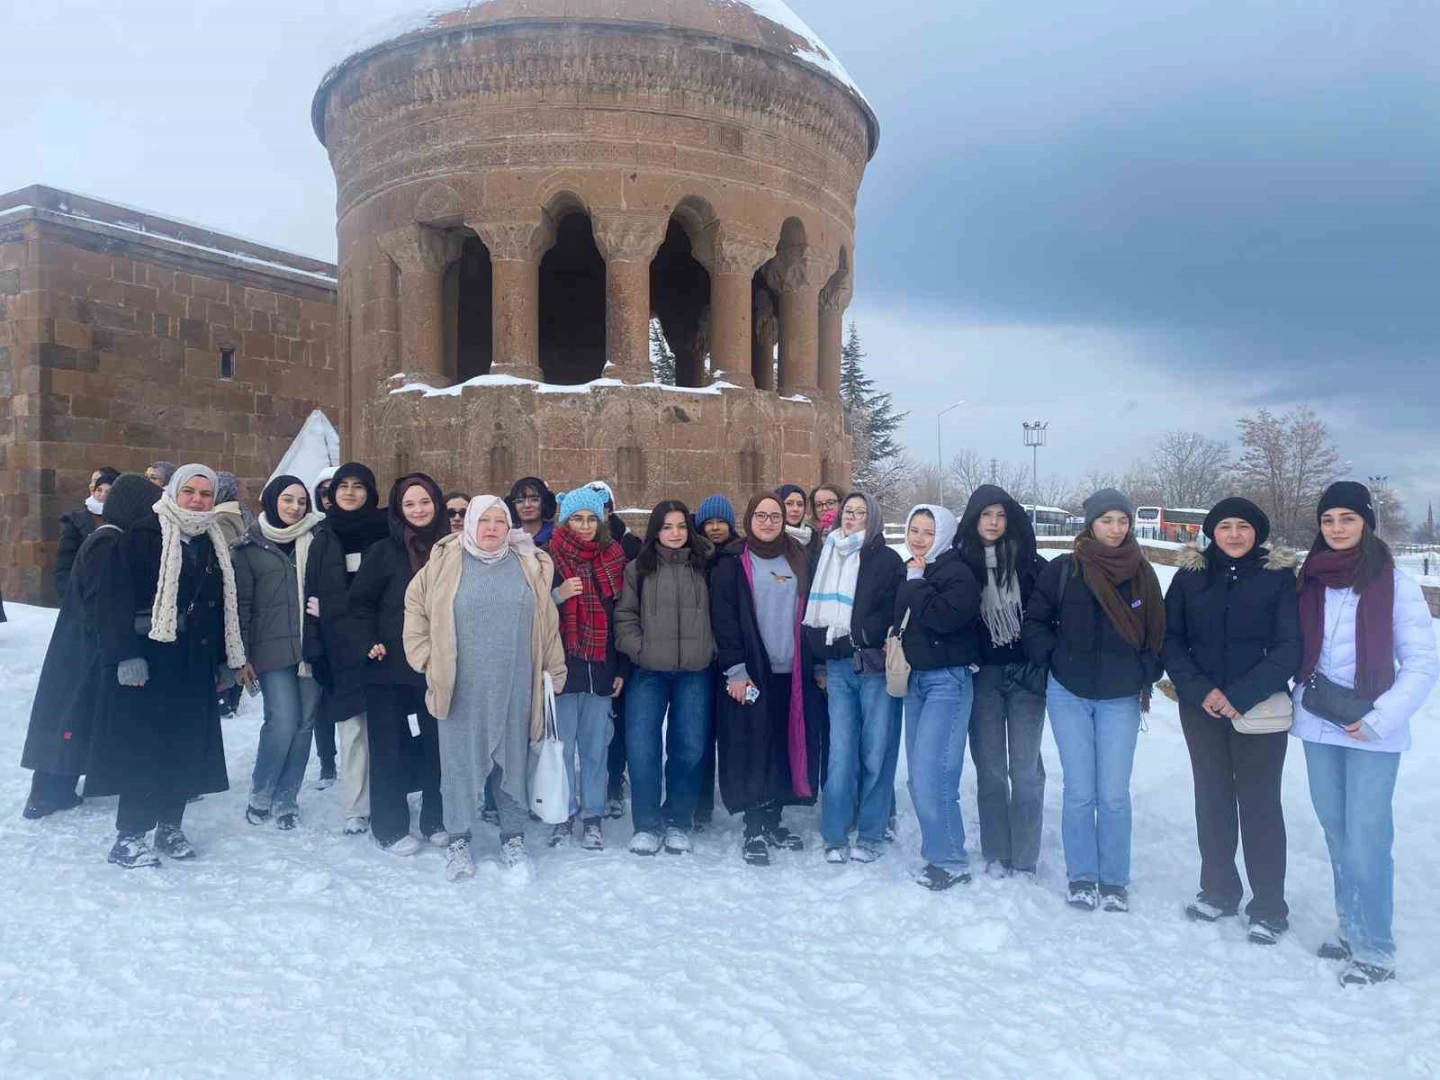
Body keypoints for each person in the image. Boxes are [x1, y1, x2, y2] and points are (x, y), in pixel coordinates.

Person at [1292, 481, 1437, 986]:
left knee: (1367, 839)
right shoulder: (1310, 578)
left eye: (1347, 519)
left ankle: (1375, 947)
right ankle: (1350, 926)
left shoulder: (1395, 584)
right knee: (1336, 832)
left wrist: (1379, 718)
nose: (1336, 528)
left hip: (1372, 730)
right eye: (1328, 519)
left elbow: (1422, 664)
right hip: (1318, 723)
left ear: (1366, 523)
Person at [85, 464, 246, 867]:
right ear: (173, 493)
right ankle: (130, 836)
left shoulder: (212, 541)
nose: (197, 500)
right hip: (150, 659)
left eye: (205, 494)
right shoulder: (142, 536)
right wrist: (125, 655)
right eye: (189, 491)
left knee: (184, 747)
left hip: (194, 661)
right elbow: (112, 599)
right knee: (144, 748)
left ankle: (170, 826)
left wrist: (224, 661)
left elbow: (219, 607)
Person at [403, 495, 566, 882]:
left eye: (499, 520)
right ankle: (458, 840)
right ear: (471, 523)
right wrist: (426, 657)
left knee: (513, 762)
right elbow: (415, 607)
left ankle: (513, 837)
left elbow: (547, 620)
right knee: (458, 765)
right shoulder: (446, 561)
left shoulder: (528, 562)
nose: (491, 528)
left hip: (515, 683)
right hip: (461, 686)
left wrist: (553, 669)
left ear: (509, 525)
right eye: (484, 520)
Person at [1162, 497, 1301, 944]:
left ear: (1257, 532)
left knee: (1260, 806)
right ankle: (1219, 890)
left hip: (1258, 710)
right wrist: (1200, 690)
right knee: (1212, 799)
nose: (1235, 534)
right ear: (1212, 533)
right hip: (1201, 709)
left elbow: (1290, 646)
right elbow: (1170, 639)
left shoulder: (1278, 579)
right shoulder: (1190, 577)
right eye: (1225, 527)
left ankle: (1269, 906)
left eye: (1243, 526)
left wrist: (1239, 695)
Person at [1022, 489, 1165, 913]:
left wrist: (1144, 671)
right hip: (1069, 693)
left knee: (1114, 793)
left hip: (1121, 697)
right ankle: (1082, 875)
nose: (1116, 529)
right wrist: (1054, 657)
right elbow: (1035, 621)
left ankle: (1115, 880)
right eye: (1107, 520)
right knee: (1081, 791)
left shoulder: (1142, 573)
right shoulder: (1064, 570)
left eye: (1123, 520)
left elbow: (1159, 632)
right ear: (1091, 524)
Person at [22, 474, 150, 819]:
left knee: (71, 716)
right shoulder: (107, 542)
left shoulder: (108, 538)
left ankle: (55, 789)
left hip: (82, 642)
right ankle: (47, 794)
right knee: (69, 717)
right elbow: (100, 599)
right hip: (84, 646)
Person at [711, 494, 826, 865]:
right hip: (750, 673)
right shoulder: (732, 561)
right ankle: (754, 827)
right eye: (760, 515)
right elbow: (724, 619)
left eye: (775, 516)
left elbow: (814, 611)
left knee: (782, 745)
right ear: (749, 518)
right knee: (752, 744)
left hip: (792, 672)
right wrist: (735, 670)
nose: (768, 521)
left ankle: (774, 819)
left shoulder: (799, 557)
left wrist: (817, 665)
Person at [349, 473, 448, 855]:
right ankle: (389, 826)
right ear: (397, 509)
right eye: (409, 504)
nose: (418, 510)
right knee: (388, 745)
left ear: (436, 503)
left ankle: (436, 818)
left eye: (424, 502)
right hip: (388, 664)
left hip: (437, 665)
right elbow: (360, 603)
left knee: (439, 744)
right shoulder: (383, 551)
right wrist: (368, 640)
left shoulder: (452, 549)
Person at [955, 485, 1050, 880]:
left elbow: (1051, 618)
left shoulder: (1032, 564)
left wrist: (1042, 659)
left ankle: (1025, 856)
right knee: (991, 768)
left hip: (1026, 678)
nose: (993, 522)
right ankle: (997, 850)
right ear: (973, 518)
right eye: (986, 514)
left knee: (1025, 771)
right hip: (984, 679)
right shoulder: (960, 564)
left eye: (1001, 515)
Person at [804, 491, 904, 863]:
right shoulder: (829, 552)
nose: (852, 517)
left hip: (873, 666)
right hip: (838, 667)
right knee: (841, 753)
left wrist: (862, 632)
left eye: (861, 513)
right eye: (848, 511)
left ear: (872, 519)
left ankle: (873, 832)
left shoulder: (886, 559)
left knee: (875, 752)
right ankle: (835, 831)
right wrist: (821, 654)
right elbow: (815, 612)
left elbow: (894, 611)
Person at [613, 500, 715, 855]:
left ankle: (678, 820)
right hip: (648, 671)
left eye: (681, 526)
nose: (675, 533)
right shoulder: (638, 568)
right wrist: (640, 650)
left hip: (695, 671)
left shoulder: (705, 565)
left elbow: (722, 611)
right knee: (642, 747)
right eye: (667, 526)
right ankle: (646, 824)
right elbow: (624, 617)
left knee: (689, 747)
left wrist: (710, 649)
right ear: (656, 530)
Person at [231, 475, 327, 830]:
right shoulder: (248, 547)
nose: (295, 507)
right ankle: (262, 791)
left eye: (301, 501)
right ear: (272, 500)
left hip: (311, 647)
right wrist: (240, 655)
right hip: (269, 650)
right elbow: (241, 605)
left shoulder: (318, 539)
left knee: (305, 724)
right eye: (288, 499)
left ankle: (287, 796)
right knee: (282, 722)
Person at [895, 504, 982, 889]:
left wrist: (916, 582)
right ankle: (940, 852)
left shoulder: (957, 572)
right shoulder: (916, 568)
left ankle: (950, 860)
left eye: (929, 532)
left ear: (944, 535)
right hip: (915, 681)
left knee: (935, 774)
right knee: (919, 777)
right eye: (914, 530)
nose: (919, 538)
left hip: (947, 681)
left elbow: (944, 618)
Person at [303, 462, 388, 835]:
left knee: (384, 727)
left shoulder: (384, 533)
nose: (350, 493)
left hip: (380, 644)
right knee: (352, 729)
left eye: (358, 486)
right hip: (339, 645)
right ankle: (356, 806)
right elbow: (312, 594)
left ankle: (386, 797)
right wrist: (314, 647)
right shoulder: (323, 537)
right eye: (343, 486)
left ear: (370, 492)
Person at [548, 486, 631, 850]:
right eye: (577, 519)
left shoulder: (614, 558)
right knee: (563, 749)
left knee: (596, 749)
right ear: (565, 521)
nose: (584, 526)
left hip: (601, 667)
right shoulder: (548, 558)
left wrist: (621, 668)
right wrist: (558, 595)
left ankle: (592, 815)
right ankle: (564, 813)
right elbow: (533, 613)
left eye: (591, 519)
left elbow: (623, 618)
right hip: (563, 670)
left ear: (602, 521)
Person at [693, 493, 738, 828]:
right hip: (701, 656)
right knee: (700, 732)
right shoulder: (694, 558)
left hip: (733, 655)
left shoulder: (740, 556)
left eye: (721, 521)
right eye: (709, 522)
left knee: (735, 730)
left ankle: (739, 795)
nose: (716, 528)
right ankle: (700, 803)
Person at [309, 464, 340, 784]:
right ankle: (327, 759)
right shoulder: (311, 529)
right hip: (316, 621)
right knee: (322, 700)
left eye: (334, 490)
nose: (329, 497)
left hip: (350, 624)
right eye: (322, 492)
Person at [55, 466, 118, 600]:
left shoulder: (122, 520)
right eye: (99, 490)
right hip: (80, 591)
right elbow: (65, 560)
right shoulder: (77, 520)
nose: (102, 495)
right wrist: (67, 593)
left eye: (108, 492)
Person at [588, 480, 643, 560]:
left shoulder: (629, 544)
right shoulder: (573, 542)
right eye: (590, 512)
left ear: (610, 512)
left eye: (601, 512)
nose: (595, 519)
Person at [506, 476, 556, 548]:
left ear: (544, 503)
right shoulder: (505, 539)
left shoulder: (558, 537)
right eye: (519, 501)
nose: (527, 505)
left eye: (534, 500)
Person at [777, 483, 820, 556]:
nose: (795, 509)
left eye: (800, 504)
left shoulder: (814, 536)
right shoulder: (771, 534)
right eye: (789, 504)